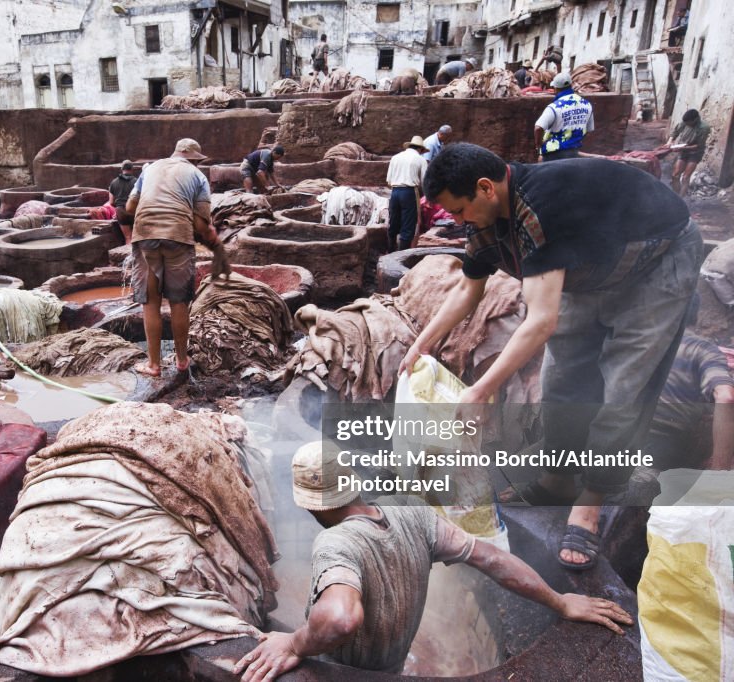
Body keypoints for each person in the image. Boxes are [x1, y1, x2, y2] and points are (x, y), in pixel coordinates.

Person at [402, 143, 703, 571]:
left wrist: (483, 389)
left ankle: (593, 497)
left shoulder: (539, 211)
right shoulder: (487, 219)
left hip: (657, 261)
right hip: (591, 266)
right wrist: (422, 345)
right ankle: (558, 479)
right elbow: (469, 289)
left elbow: (540, 322)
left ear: (486, 188)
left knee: (623, 387)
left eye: (461, 210)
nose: (459, 221)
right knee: (562, 379)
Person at [234, 444, 633, 680]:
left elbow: (340, 618)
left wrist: (295, 641)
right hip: (392, 665)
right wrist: (561, 601)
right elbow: (492, 558)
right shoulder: (411, 512)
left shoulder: (334, 545)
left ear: (308, 504)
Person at [124, 138, 230, 377]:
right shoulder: (198, 176)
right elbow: (201, 224)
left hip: (146, 235)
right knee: (178, 302)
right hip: (178, 238)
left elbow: (130, 207)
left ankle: (154, 366)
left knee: (150, 302)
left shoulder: (150, 168)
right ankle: (182, 361)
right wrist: (213, 241)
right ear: (192, 158)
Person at [646, 331, 734, 472]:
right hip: (661, 447)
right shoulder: (701, 348)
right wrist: (720, 474)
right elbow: (726, 397)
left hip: (614, 441)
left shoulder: (627, 341)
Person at [534, 72, 594, 161]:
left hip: (553, 154)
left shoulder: (554, 107)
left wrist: (539, 144)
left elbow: (538, 128)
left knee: (541, 161)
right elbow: (589, 130)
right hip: (574, 153)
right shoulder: (587, 104)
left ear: (556, 88)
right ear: (571, 85)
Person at [385, 135, 428, 252]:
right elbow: (424, 181)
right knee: (408, 223)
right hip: (409, 192)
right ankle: (402, 253)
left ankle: (390, 250)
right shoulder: (421, 159)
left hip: (395, 191)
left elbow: (388, 180)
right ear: (421, 149)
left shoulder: (395, 157)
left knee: (394, 220)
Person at [666, 108, 711, 198]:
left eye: (689, 123)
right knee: (675, 175)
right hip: (683, 150)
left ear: (695, 120)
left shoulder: (704, 128)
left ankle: (681, 199)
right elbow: (675, 132)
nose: (687, 125)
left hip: (695, 152)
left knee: (686, 177)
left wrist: (684, 148)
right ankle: (676, 196)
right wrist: (669, 142)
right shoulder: (684, 122)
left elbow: (698, 145)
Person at [108, 160, 139, 242]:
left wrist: (119, 207)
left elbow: (111, 202)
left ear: (122, 169)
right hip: (134, 211)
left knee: (128, 237)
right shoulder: (137, 182)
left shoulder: (114, 182)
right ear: (132, 169)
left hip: (121, 212)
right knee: (138, 236)